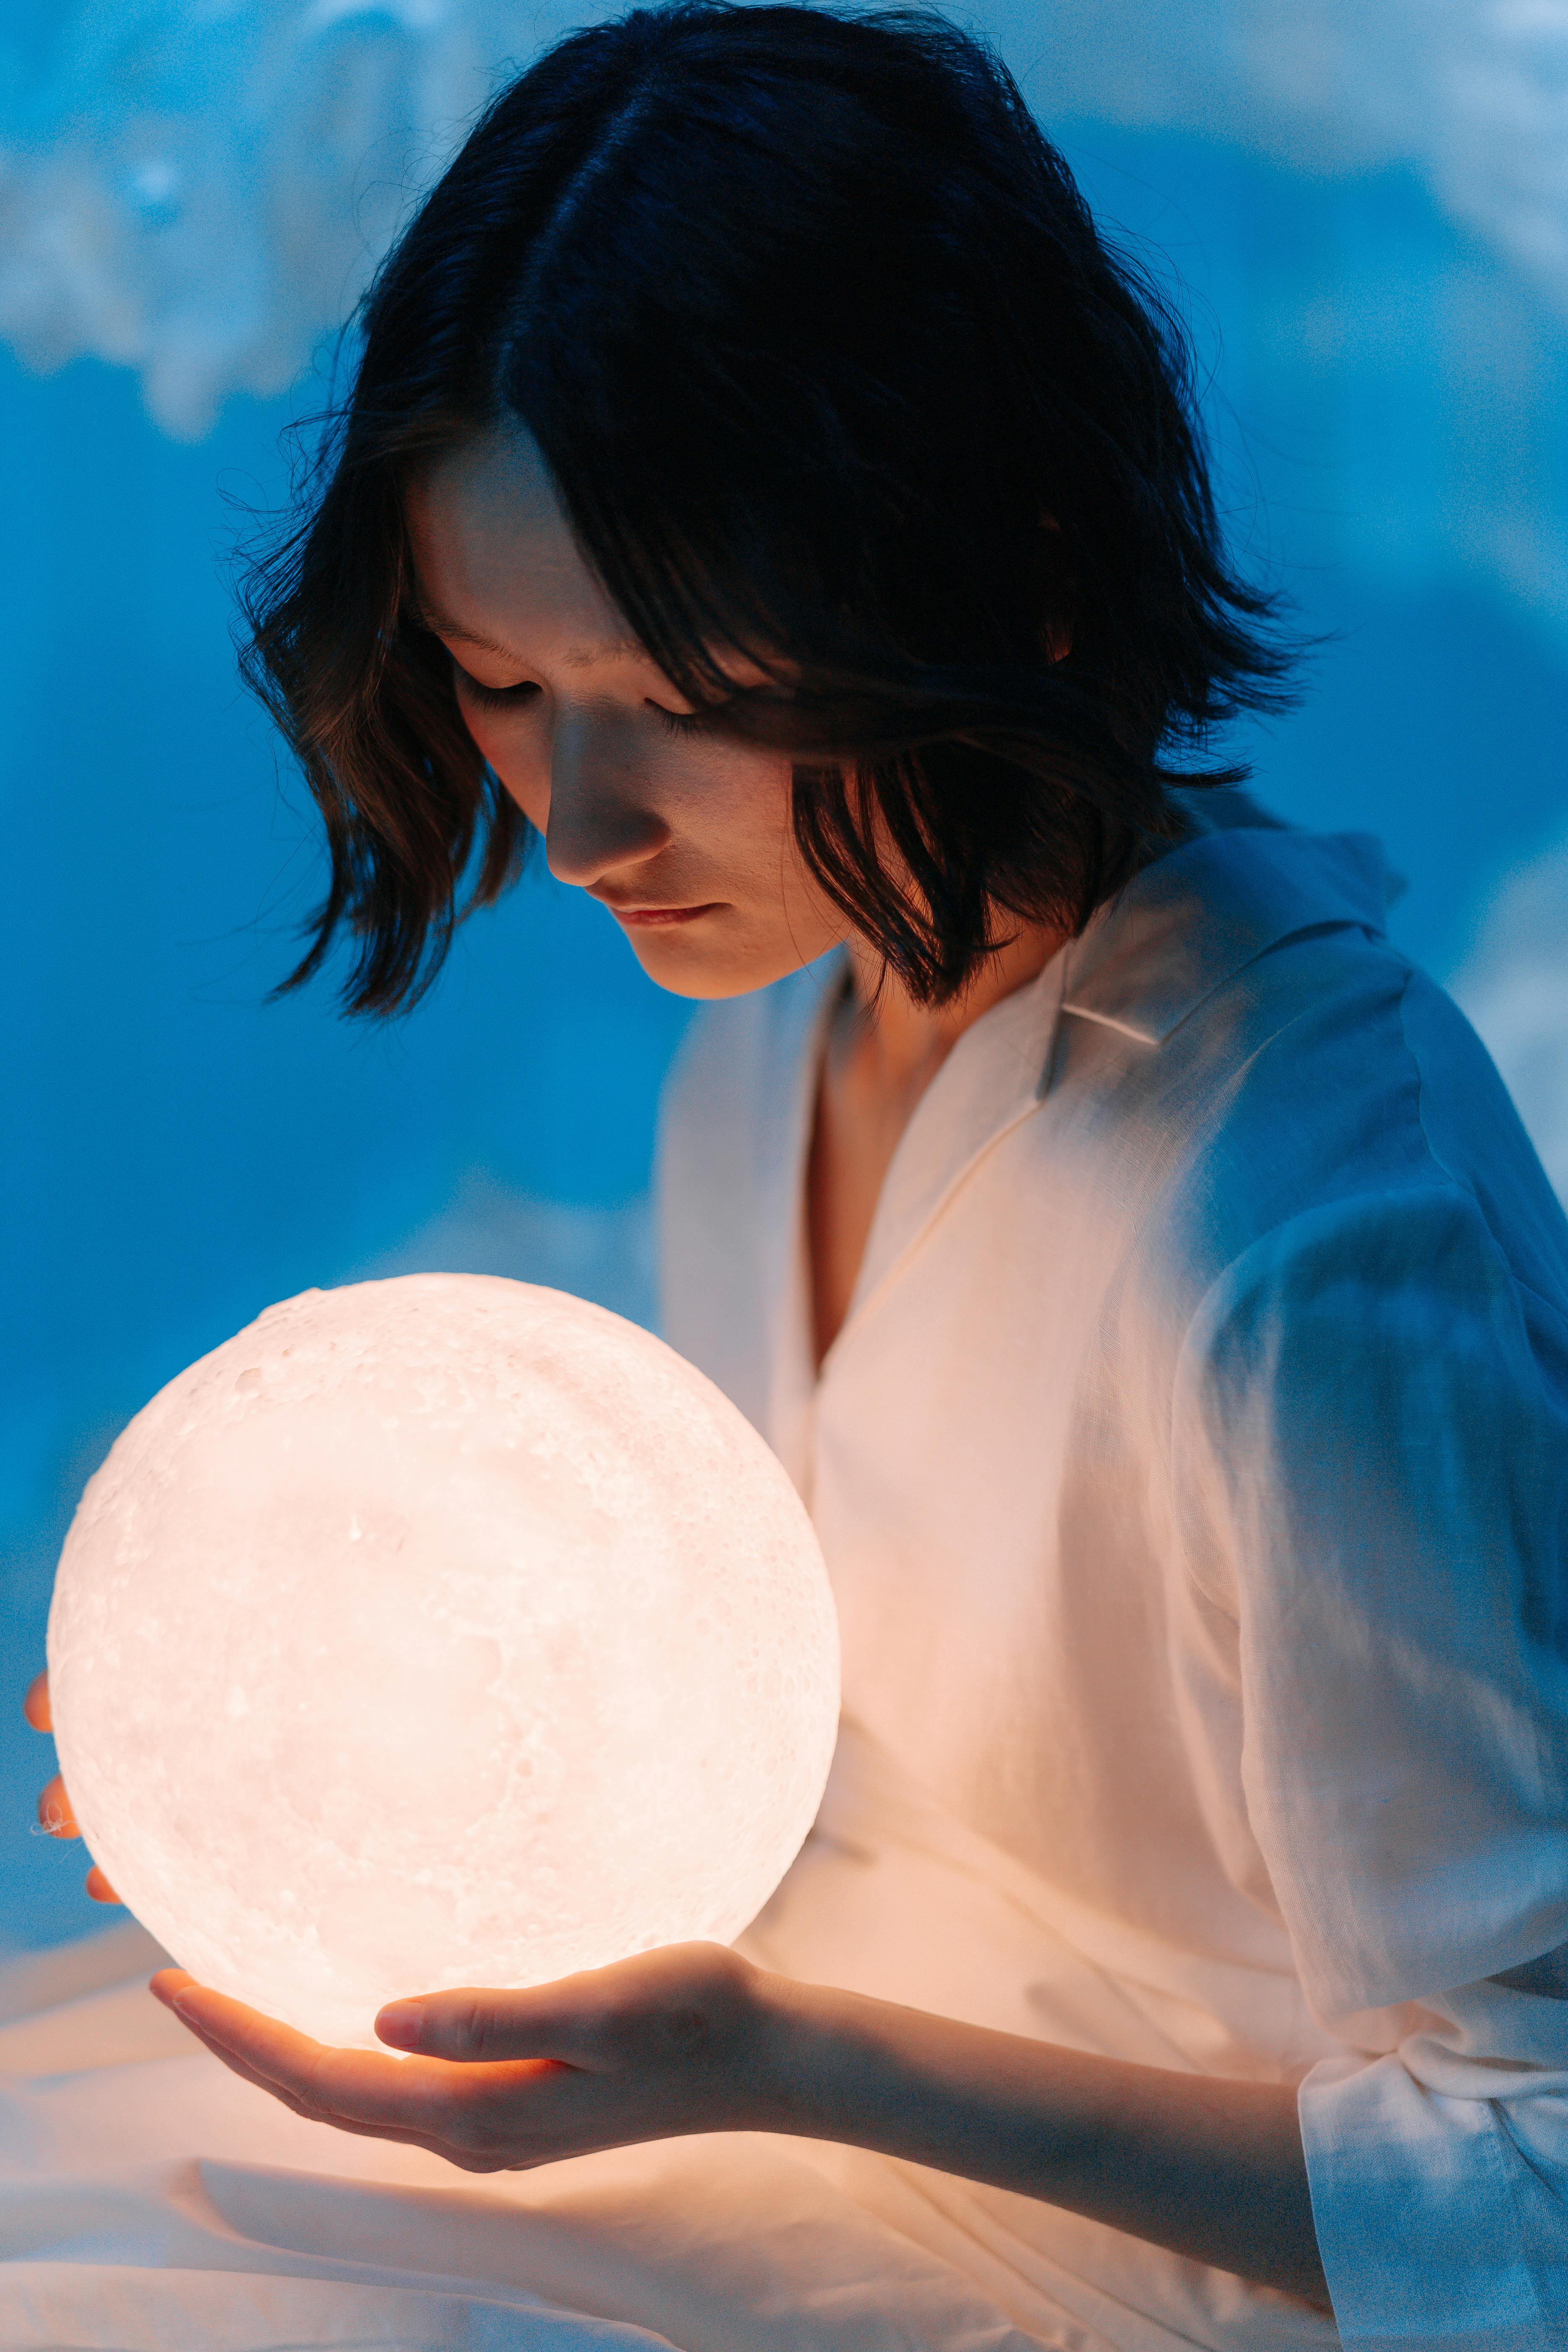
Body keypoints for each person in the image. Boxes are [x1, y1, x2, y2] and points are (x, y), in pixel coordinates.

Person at [23, 5, 1568, 2346]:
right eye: (500, 681)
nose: (582, 825)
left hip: (1145, 2274)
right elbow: (816, 1704)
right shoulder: (785, 1028)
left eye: (691, 693)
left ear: (1014, 582)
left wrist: (784, 2060)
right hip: (801, 2089)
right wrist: (324, 1705)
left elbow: (1534, 2180)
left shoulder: (1297, 1226)